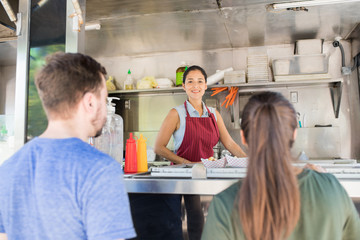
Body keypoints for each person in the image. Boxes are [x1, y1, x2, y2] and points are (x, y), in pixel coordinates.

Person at [0, 52, 136, 240]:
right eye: (103, 99)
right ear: (90, 102)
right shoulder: (100, 170)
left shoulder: (8, 168)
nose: (104, 109)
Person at [201, 91, 360, 240]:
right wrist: (325, 182)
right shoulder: (331, 189)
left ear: (243, 137)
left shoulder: (224, 205)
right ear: (294, 134)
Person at [154, 65, 246, 240]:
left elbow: (230, 144)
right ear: (184, 86)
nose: (195, 86)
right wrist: (184, 162)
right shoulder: (176, 113)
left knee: (208, 224)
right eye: (190, 81)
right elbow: (159, 147)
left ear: (205, 86)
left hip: (207, 177)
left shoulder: (214, 114)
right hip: (182, 178)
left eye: (199, 81)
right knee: (187, 225)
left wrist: (250, 161)